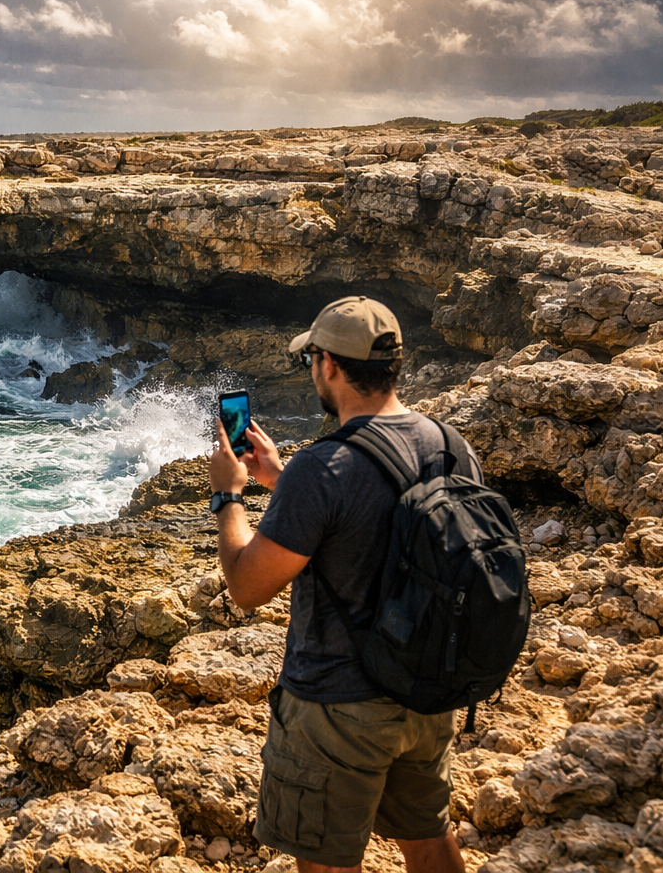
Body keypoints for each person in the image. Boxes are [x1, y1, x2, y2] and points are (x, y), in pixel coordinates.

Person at [206, 296, 481, 873]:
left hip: (338, 704)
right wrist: (280, 479)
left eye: (312, 359)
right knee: (428, 839)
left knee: (328, 860)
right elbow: (377, 523)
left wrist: (229, 496)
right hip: (426, 688)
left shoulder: (326, 466)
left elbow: (247, 587)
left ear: (328, 364)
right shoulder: (450, 445)